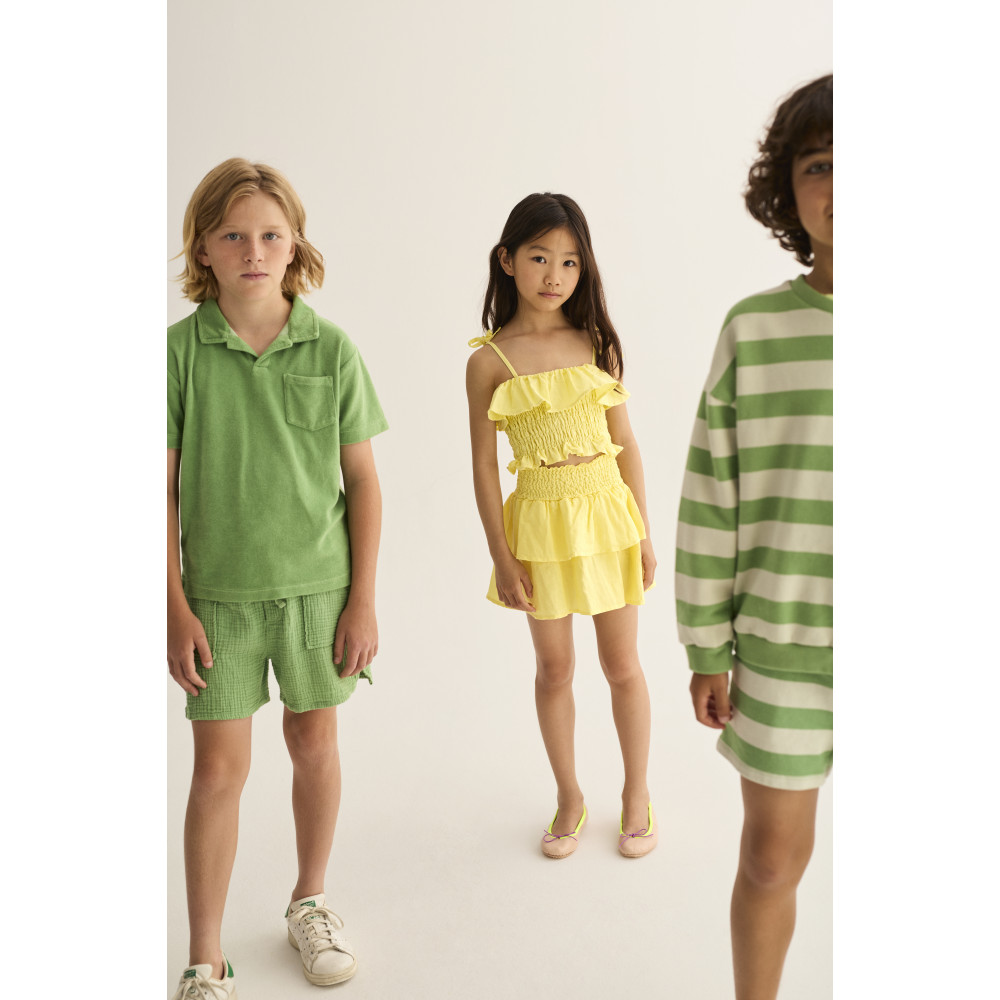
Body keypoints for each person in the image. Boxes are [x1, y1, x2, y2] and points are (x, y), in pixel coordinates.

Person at [167, 158, 388, 998]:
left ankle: (310, 901)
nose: (252, 250)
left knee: (314, 744)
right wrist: (172, 605)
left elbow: (362, 481)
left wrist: (362, 599)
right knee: (217, 773)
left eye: (269, 234)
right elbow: (156, 490)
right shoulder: (177, 354)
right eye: (232, 235)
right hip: (216, 600)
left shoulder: (332, 348)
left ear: (295, 245)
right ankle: (205, 957)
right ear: (204, 249)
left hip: (319, 594)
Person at [675, 74, 832, 999]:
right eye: (819, 166)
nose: (841, 187)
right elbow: (712, 496)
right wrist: (706, 644)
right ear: (788, 189)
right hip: (782, 650)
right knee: (771, 862)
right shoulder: (756, 330)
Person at [467, 193, 657, 859]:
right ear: (508, 260)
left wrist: (644, 532)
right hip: (540, 527)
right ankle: (570, 796)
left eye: (571, 262)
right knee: (554, 668)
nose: (555, 275)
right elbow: (483, 467)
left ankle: (637, 793)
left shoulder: (596, 342)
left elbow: (627, 444)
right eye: (540, 257)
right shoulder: (489, 361)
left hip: (607, 517)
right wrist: (502, 555)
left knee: (622, 664)